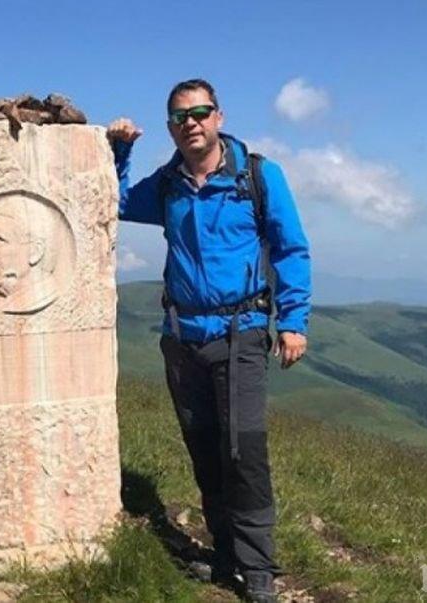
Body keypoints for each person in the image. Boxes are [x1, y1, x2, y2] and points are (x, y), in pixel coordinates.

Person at [107, 79, 310, 602]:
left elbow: (290, 248)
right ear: (172, 127)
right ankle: (224, 554)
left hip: (239, 333)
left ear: (218, 116)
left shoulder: (256, 175)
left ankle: (258, 567)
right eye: (180, 116)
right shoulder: (170, 183)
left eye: (200, 113)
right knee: (204, 447)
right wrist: (121, 150)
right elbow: (118, 200)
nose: (191, 122)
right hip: (181, 336)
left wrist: (293, 320)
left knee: (244, 449)